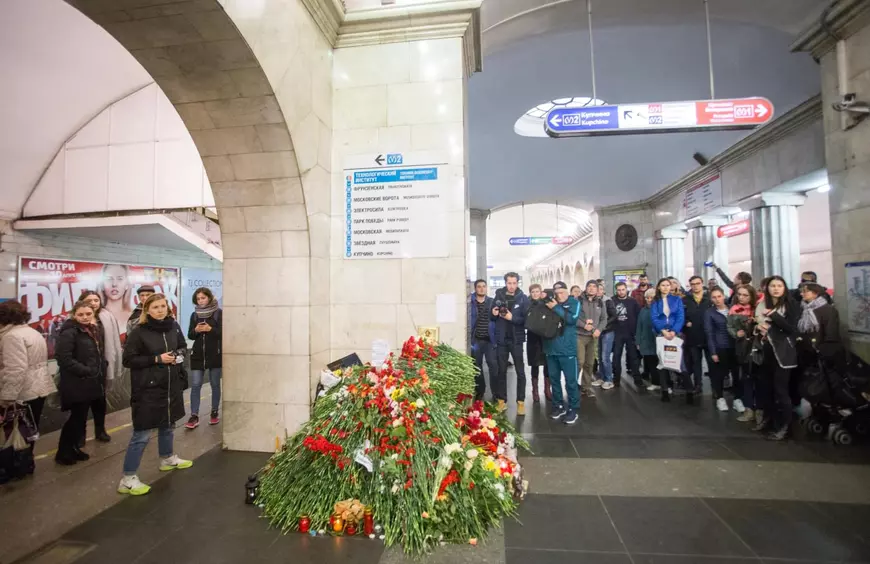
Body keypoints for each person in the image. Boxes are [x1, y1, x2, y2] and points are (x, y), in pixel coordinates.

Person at [120, 293, 192, 495]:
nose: (160, 310)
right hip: (148, 388)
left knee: (168, 424)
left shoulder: (173, 327)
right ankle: (128, 477)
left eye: (163, 306)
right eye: (155, 307)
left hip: (170, 385)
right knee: (141, 434)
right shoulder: (139, 332)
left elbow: (182, 347)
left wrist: (178, 356)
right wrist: (157, 359)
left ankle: (167, 458)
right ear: (147, 310)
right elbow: (128, 360)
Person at [0, 300, 56, 476]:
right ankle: (25, 464)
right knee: (29, 431)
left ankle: (13, 468)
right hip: (38, 387)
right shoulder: (31, 332)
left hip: (22, 392)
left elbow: (15, 369)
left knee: (13, 432)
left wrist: (6, 397)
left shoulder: (11, 337)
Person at [54, 301, 106, 465]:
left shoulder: (90, 330)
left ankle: (73, 449)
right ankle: (63, 452)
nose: (85, 317)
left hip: (89, 382)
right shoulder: (69, 332)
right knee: (75, 419)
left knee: (80, 418)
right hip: (76, 382)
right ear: (74, 315)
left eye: (88, 314)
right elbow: (64, 358)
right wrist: (86, 370)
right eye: (81, 314)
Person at [754, 276, 800, 441]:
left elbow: (792, 329)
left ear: (784, 288)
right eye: (772, 286)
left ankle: (785, 427)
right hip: (767, 351)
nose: (776, 289)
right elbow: (758, 322)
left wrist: (774, 315)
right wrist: (758, 326)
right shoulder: (762, 304)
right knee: (766, 388)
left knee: (781, 390)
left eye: (779, 285)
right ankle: (769, 420)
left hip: (784, 353)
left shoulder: (791, 305)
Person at [79, 291, 123, 444]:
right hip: (83, 369)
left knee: (100, 401)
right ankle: (80, 435)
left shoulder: (106, 316)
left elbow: (114, 341)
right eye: (89, 300)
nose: (93, 303)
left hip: (102, 366)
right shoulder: (77, 319)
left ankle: (100, 430)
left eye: (96, 300)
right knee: (81, 406)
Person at [544, 282, 582, 425]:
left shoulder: (574, 303)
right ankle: (558, 405)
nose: (559, 295)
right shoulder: (549, 302)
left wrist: (556, 308)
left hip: (567, 350)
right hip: (551, 349)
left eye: (562, 292)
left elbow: (572, 319)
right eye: (557, 292)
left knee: (571, 381)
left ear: (567, 292)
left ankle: (573, 408)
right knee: (554, 380)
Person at [185, 287, 223, 429]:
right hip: (198, 355)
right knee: (195, 385)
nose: (201, 301)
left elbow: (223, 333)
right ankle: (194, 415)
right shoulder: (194, 316)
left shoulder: (218, 314)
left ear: (209, 298)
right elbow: (190, 335)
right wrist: (196, 330)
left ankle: (214, 412)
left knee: (215, 384)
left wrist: (210, 329)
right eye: (198, 298)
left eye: (203, 298)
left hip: (215, 355)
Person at [493, 272, 529, 414]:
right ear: (505, 283)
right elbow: (492, 316)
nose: (512, 286)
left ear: (518, 283)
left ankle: (521, 402)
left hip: (516, 340)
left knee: (520, 372)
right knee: (501, 371)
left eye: (514, 283)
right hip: (502, 339)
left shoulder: (523, 299)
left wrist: (511, 318)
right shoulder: (499, 296)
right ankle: (502, 401)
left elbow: (526, 321)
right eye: (509, 283)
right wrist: (494, 313)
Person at [650, 278, 687, 403]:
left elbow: (680, 316)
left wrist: (674, 331)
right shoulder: (655, 301)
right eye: (663, 285)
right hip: (661, 334)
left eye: (667, 285)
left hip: (675, 334)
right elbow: (654, 318)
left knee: (680, 363)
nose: (665, 287)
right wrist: (663, 331)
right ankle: (665, 391)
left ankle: (689, 391)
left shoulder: (677, 300)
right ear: (659, 287)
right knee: (663, 363)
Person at [704, 287, 742, 412]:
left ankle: (737, 399)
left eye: (719, 296)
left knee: (737, 374)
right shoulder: (710, 313)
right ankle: (720, 398)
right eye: (714, 297)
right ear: (711, 299)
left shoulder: (734, 309)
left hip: (735, 346)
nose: (717, 299)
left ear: (723, 296)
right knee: (719, 374)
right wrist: (713, 352)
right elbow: (709, 333)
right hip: (720, 347)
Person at [727, 284, 759, 423]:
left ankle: (761, 409)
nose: (741, 297)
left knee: (760, 380)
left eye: (745, 295)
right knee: (746, 378)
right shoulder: (734, 309)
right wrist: (736, 333)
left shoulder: (758, 308)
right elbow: (729, 326)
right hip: (742, 347)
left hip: (758, 346)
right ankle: (748, 409)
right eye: (739, 294)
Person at [798, 282, 844, 368]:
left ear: (815, 293)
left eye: (805, 291)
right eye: (801, 291)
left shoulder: (828, 309)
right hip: (805, 350)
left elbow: (831, 332)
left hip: (821, 351)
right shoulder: (803, 308)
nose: (801, 294)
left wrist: (822, 349)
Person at [467, 279, 497, 402]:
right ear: (475, 288)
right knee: (477, 367)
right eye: (479, 286)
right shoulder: (470, 303)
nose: (481, 289)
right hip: (476, 340)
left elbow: (496, 319)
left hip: (490, 340)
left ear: (486, 288)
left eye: (484, 286)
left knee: (493, 366)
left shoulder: (492, 302)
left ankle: (495, 393)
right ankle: (480, 391)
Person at [576, 280, 607, 398]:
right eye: (589, 286)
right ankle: (572, 386)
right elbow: (573, 317)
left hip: (593, 337)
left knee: (589, 363)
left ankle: (586, 387)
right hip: (579, 335)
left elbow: (604, 319)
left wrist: (599, 329)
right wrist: (583, 325)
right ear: (586, 288)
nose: (592, 289)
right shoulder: (578, 301)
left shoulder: (600, 302)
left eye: (594, 287)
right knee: (580, 361)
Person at [682, 276, 713, 395]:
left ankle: (715, 387)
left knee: (712, 363)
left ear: (702, 284)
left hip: (708, 336)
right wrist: (685, 323)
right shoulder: (685, 300)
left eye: (697, 283)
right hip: (692, 335)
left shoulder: (709, 298)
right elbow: (680, 315)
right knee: (696, 363)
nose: (695, 286)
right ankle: (697, 385)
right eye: (692, 284)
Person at [611, 281, 641, 388]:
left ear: (626, 289)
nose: (621, 292)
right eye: (618, 290)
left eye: (623, 289)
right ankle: (616, 379)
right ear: (616, 290)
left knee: (633, 357)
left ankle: (637, 379)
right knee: (616, 357)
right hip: (617, 333)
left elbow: (638, 316)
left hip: (630, 333)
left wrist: (637, 332)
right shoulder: (612, 301)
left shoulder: (633, 301)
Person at [526, 284, 551, 403]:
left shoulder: (546, 303)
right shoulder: (527, 305)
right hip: (532, 338)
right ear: (530, 293)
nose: (535, 294)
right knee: (534, 364)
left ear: (541, 292)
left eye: (537, 291)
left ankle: (547, 389)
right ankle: (535, 390)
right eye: (533, 292)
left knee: (547, 364)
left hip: (545, 338)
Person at [594, 282, 618, 390]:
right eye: (596, 289)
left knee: (605, 357)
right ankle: (602, 377)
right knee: (599, 356)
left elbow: (614, 316)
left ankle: (609, 379)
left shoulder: (608, 301)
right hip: (599, 331)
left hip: (607, 331)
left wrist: (603, 326)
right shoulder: (594, 301)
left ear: (603, 290)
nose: (598, 291)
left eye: (600, 289)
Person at [636, 288, 659, 391]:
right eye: (647, 297)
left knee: (661, 364)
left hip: (657, 340)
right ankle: (655, 382)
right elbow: (639, 326)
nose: (649, 300)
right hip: (646, 340)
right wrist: (638, 341)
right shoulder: (643, 310)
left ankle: (666, 384)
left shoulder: (659, 309)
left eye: (651, 297)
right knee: (651, 363)